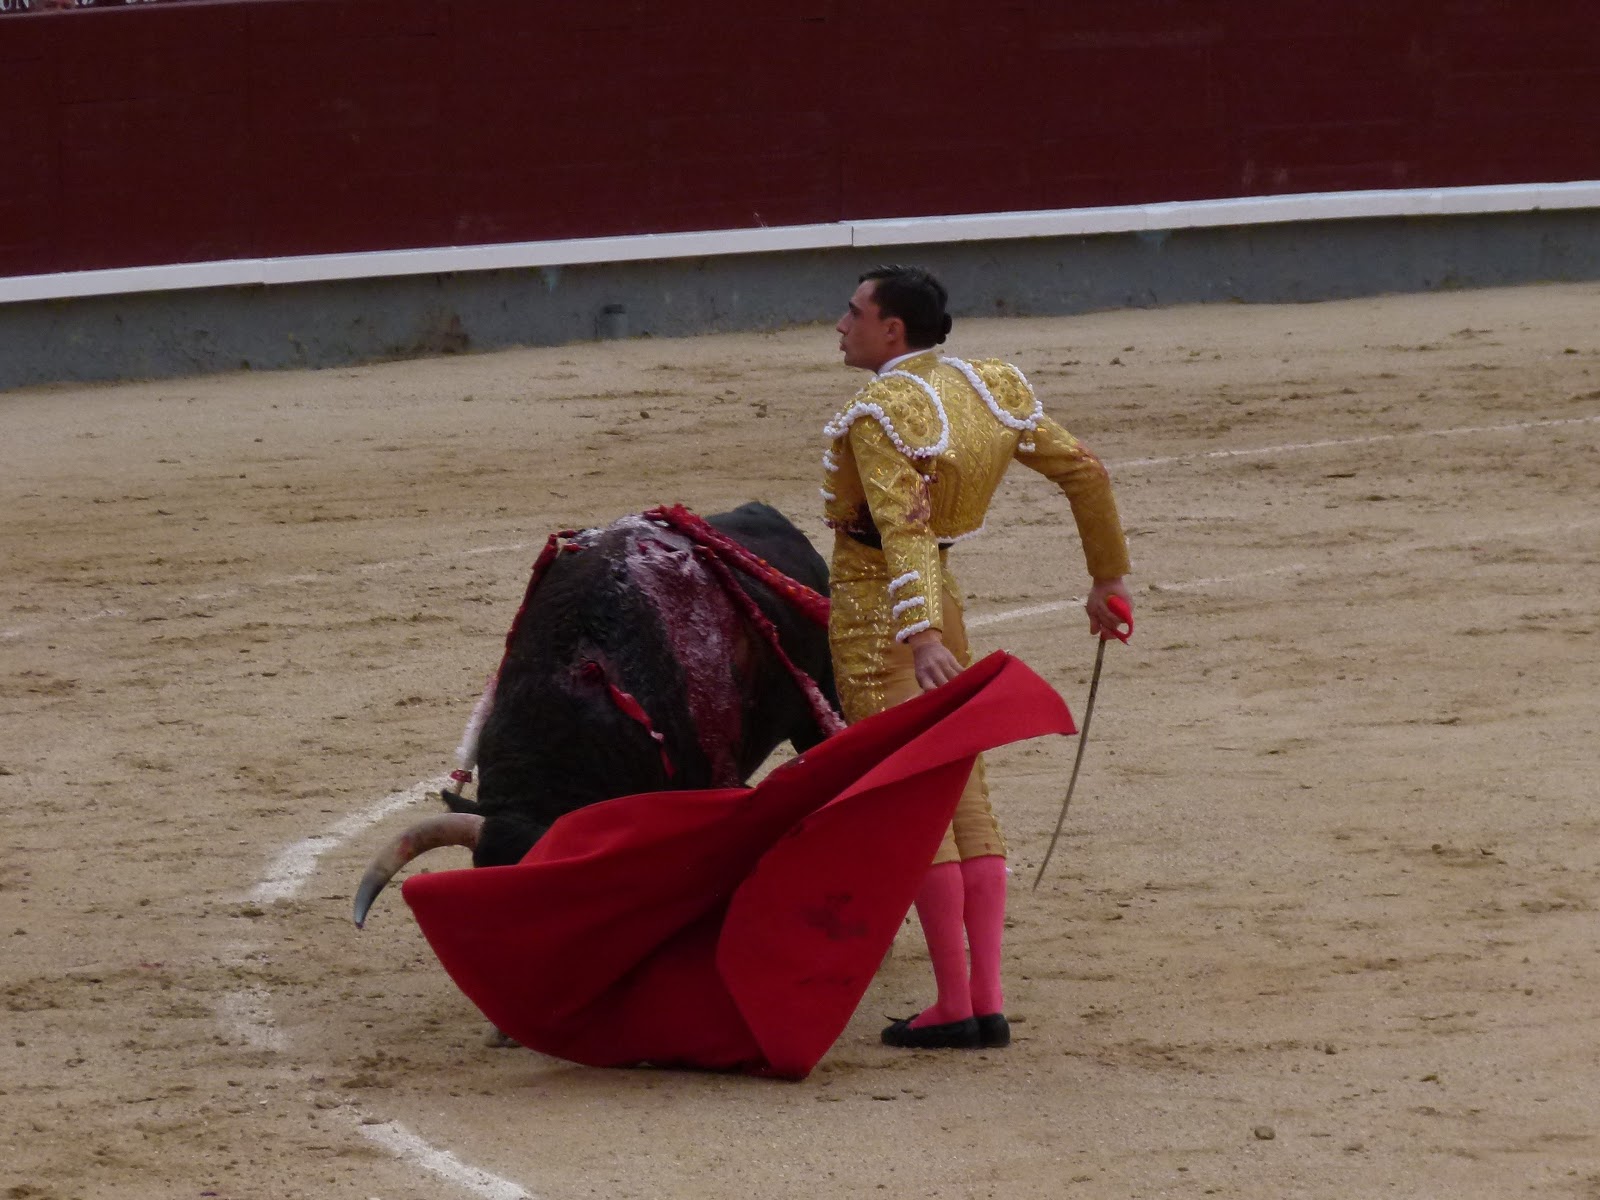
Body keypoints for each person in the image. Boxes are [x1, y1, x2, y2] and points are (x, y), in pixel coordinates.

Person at [821, 264, 1133, 1049]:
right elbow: (1085, 471)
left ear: (892, 329)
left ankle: (955, 1003)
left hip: (879, 614)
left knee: (908, 795)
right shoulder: (987, 385)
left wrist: (917, 632)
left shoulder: (882, 409)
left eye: (854, 312)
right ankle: (985, 1000)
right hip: (943, 600)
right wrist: (1107, 579)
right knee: (962, 788)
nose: (841, 325)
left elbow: (903, 527)